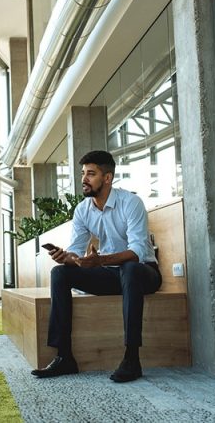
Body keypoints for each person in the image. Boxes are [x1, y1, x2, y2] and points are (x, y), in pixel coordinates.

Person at [31, 150, 161, 383]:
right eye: (83, 173)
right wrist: (66, 257)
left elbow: (137, 253)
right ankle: (64, 357)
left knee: (130, 269)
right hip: (110, 275)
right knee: (60, 273)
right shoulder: (82, 210)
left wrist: (99, 260)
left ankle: (132, 358)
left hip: (144, 274)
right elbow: (77, 252)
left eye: (91, 174)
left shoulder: (130, 203)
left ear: (108, 177)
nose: (84, 179)